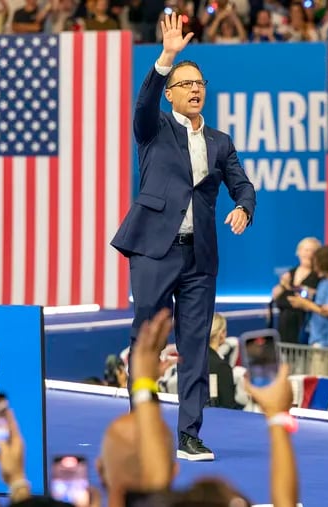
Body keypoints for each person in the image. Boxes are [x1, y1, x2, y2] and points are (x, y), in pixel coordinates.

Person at [110, 12, 256, 462]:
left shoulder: (220, 141)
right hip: (154, 251)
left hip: (199, 259)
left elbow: (243, 185)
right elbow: (142, 105)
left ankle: (189, 434)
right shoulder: (153, 129)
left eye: (200, 83)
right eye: (186, 83)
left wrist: (244, 209)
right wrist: (165, 58)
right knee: (147, 342)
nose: (196, 89)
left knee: (196, 346)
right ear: (172, 93)